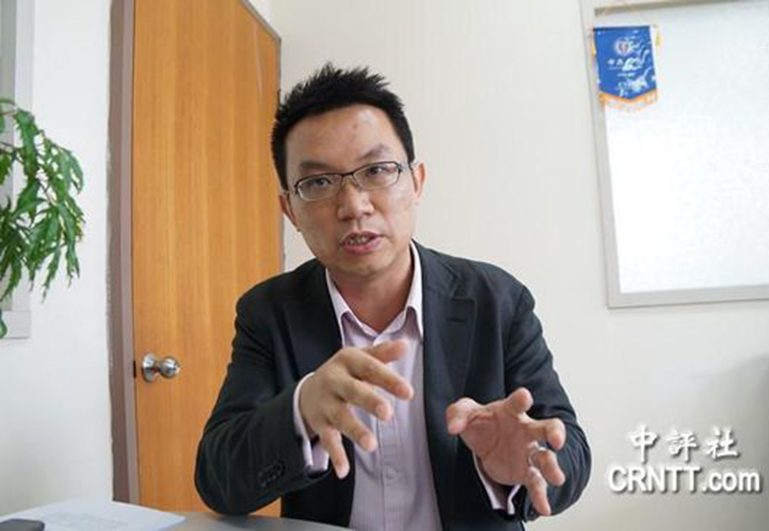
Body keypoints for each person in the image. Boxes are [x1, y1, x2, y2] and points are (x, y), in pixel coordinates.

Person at [195, 64, 590, 530]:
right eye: (318, 183)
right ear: (290, 210)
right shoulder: (268, 313)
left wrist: (520, 464)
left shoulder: (497, 299)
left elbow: (570, 452)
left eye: (377, 170)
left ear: (416, 181)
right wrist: (300, 411)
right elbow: (219, 481)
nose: (353, 206)